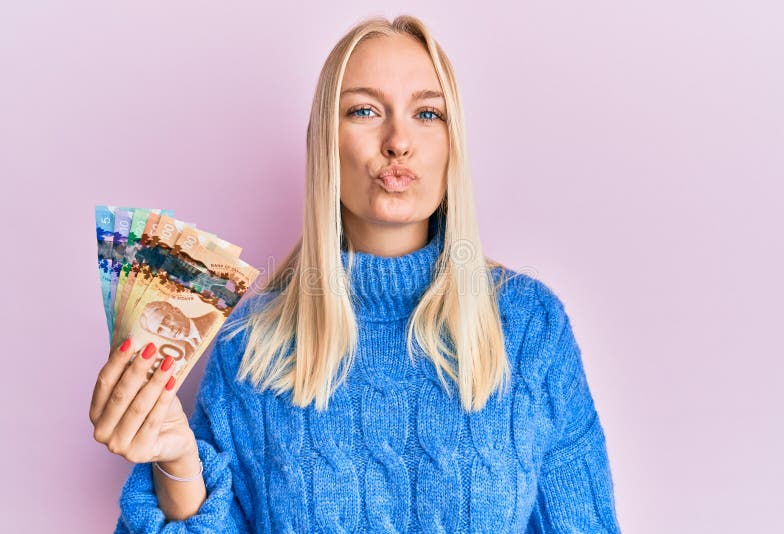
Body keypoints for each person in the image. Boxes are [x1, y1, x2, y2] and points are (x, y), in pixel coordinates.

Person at [90, 14, 622, 533]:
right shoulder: (250, 347)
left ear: (452, 144)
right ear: (326, 142)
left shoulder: (530, 327)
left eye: (428, 114)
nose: (398, 141)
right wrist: (177, 463)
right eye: (365, 111)